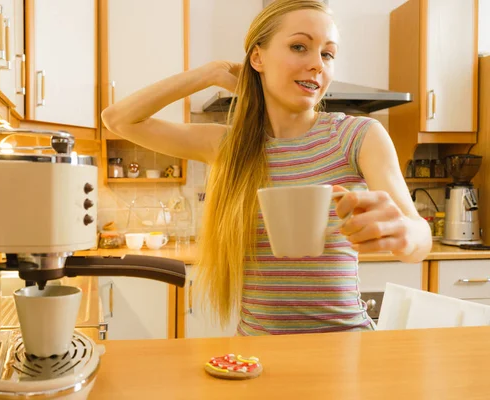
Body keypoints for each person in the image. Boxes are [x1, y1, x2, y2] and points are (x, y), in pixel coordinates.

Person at [102, 0, 432, 335]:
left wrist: (404, 234)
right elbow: (117, 119)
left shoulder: (358, 136)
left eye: (327, 54)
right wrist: (208, 74)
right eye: (299, 47)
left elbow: (421, 240)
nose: (317, 65)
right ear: (257, 58)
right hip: (257, 350)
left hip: (345, 345)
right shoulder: (229, 146)